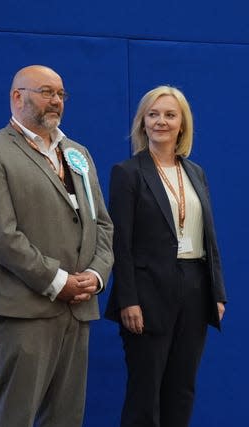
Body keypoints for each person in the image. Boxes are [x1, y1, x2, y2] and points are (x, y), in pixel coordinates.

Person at [0, 65, 114, 427]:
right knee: (16, 415)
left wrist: (96, 273)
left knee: (66, 417)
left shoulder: (78, 153)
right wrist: (58, 281)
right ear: (17, 96)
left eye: (61, 94)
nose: (56, 101)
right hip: (24, 308)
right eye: (47, 92)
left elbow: (103, 224)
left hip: (79, 308)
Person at [105, 85, 227, 427]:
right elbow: (121, 244)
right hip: (146, 294)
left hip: (195, 289)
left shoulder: (196, 172)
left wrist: (217, 293)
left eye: (170, 115)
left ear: (182, 124)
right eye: (153, 114)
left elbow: (209, 237)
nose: (161, 121)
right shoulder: (127, 172)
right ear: (142, 123)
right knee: (145, 393)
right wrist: (128, 299)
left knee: (182, 389)